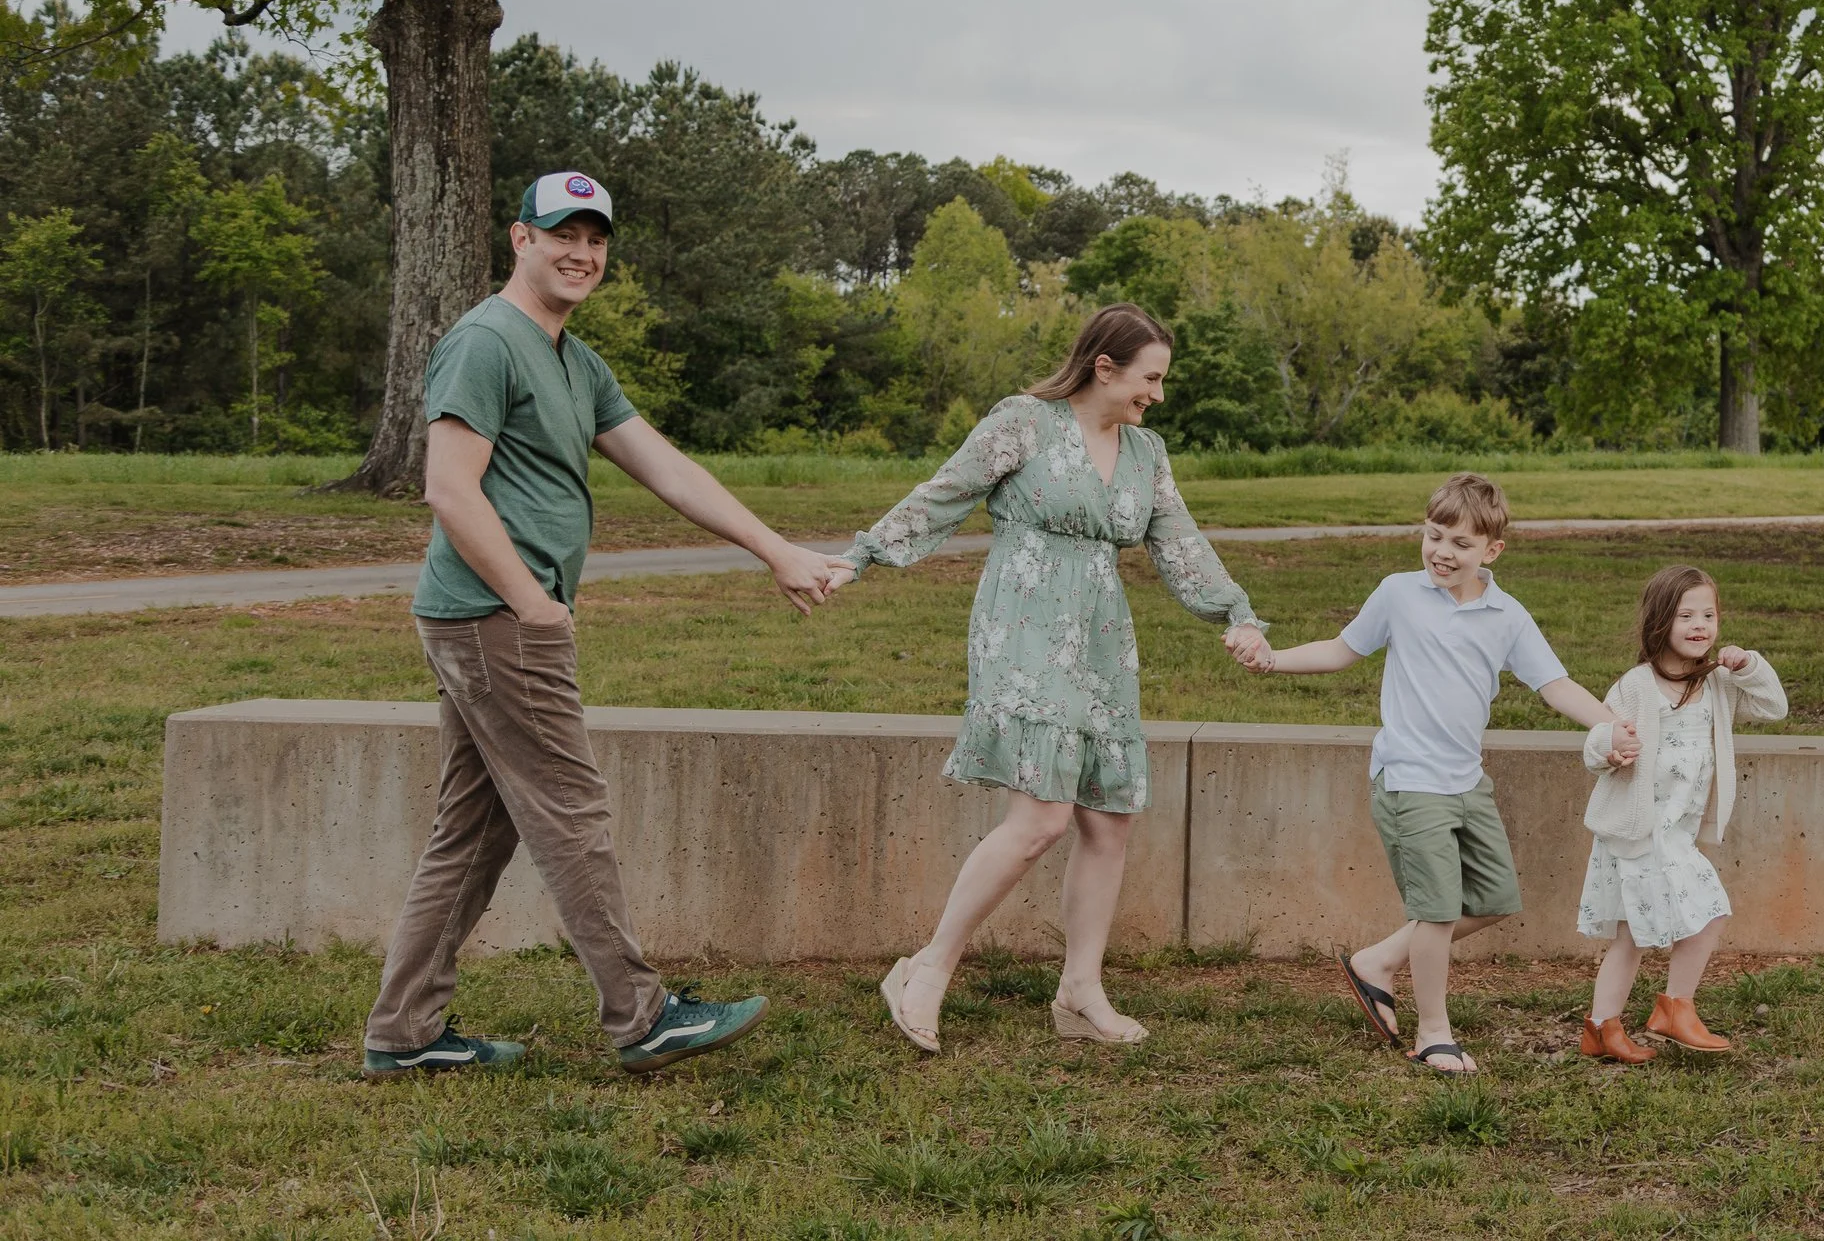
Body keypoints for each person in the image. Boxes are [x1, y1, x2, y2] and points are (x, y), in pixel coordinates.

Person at [363, 171, 840, 1080]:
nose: (582, 254)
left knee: (474, 829)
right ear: (520, 239)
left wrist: (774, 548)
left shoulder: (574, 359)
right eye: (562, 235)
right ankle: (642, 1015)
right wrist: (535, 605)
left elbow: (668, 467)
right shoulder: (486, 341)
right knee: (570, 811)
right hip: (497, 618)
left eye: (596, 239)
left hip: (490, 619)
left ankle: (405, 1033)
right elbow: (448, 490)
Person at [828, 303, 1268, 1053]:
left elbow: (1180, 544)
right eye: (1149, 378)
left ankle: (1079, 990)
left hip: (1101, 640)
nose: (1157, 394)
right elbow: (946, 493)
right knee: (1042, 819)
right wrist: (862, 554)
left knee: (1107, 818)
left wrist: (1237, 613)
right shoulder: (1024, 422)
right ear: (1104, 367)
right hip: (1023, 626)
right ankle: (927, 968)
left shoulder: (1145, 452)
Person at [1235, 472, 1631, 1075]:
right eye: (1434, 536)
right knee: (1439, 910)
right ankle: (1433, 1033)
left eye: (1461, 544)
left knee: (1495, 897)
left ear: (1492, 551)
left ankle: (1376, 962)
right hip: (1409, 781)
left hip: (1467, 782)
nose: (1443, 552)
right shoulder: (1398, 593)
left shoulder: (1507, 615)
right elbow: (1343, 650)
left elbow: (1555, 684)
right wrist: (1273, 659)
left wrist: (1612, 727)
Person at [1574, 564, 1787, 1062]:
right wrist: (1611, 746)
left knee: (1661, 928)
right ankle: (1651, 1014)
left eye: (1708, 615)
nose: (1699, 625)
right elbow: (1593, 743)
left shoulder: (1718, 684)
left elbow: (1774, 707)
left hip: (1675, 835)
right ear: (1660, 622)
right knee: (1677, 922)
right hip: (1637, 833)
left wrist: (1749, 664)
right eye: (1686, 615)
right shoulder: (1636, 686)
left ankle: (1619, 1024)